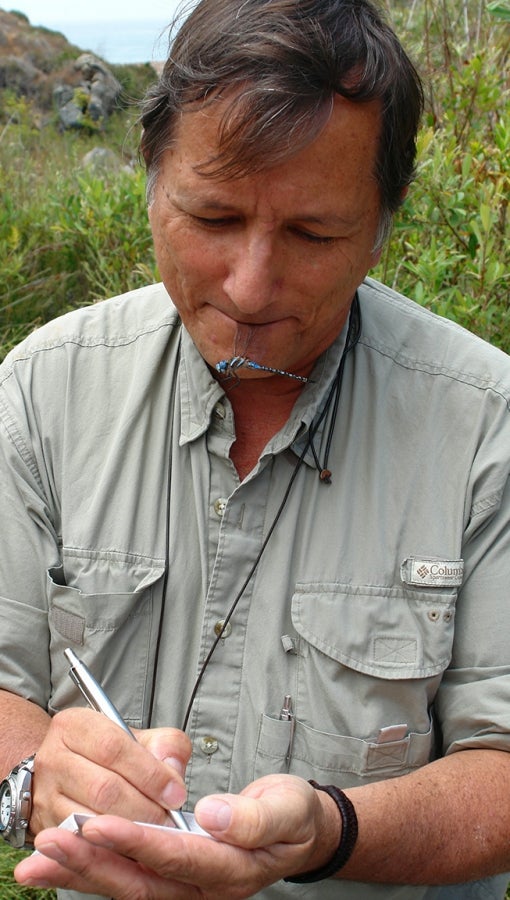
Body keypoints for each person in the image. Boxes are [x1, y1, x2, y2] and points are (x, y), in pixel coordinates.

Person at [1, 0, 509, 897]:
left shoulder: (484, 426)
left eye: (313, 233)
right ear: (151, 181)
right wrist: (32, 778)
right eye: (212, 217)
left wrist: (332, 831)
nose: (249, 284)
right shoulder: (44, 390)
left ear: (387, 221)